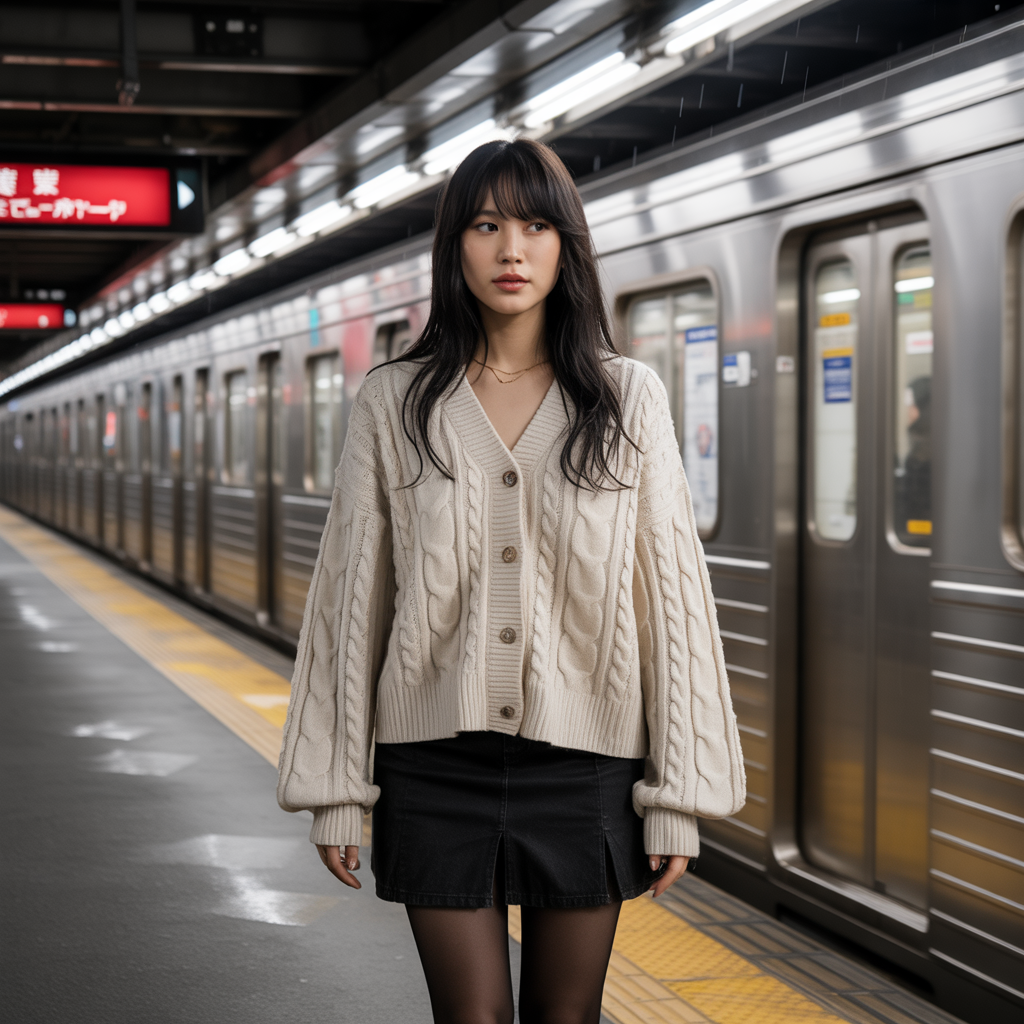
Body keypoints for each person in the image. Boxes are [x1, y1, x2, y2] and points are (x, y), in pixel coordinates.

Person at [277, 139, 746, 1024]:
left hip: (587, 767)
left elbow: (672, 600)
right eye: (487, 226)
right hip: (432, 766)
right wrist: (335, 789)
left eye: (535, 226)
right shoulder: (394, 402)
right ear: (454, 244)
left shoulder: (626, 398)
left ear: (567, 244)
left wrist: (679, 795)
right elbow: (350, 602)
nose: (512, 251)